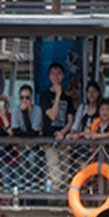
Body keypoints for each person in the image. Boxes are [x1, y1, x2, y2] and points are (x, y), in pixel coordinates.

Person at [39, 62, 75, 190]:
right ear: (49, 76)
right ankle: (51, 205)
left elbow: (70, 120)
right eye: (53, 73)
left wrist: (63, 133)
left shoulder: (69, 98)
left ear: (63, 75)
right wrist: (58, 95)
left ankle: (61, 206)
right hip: (49, 141)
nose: (56, 76)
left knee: (65, 178)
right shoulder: (44, 96)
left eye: (59, 73)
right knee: (56, 177)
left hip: (63, 141)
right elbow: (52, 115)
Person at [11, 83, 43, 191]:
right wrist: (30, 133)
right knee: (22, 172)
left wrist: (25, 114)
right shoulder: (15, 109)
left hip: (35, 147)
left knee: (33, 164)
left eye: (27, 98)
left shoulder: (37, 110)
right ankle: (25, 195)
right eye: (21, 98)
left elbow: (32, 135)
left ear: (32, 99)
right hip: (21, 148)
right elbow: (15, 132)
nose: (24, 100)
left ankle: (33, 193)